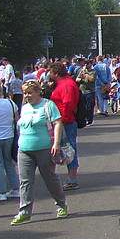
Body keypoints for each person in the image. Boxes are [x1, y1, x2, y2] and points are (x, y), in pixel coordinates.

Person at [10, 78, 67, 226]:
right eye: (24, 93)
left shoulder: (48, 105)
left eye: (29, 93)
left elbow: (57, 123)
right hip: (24, 149)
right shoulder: (24, 107)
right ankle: (24, 212)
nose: (26, 96)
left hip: (44, 148)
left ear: (37, 92)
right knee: (25, 181)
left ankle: (61, 204)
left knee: (49, 178)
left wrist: (56, 144)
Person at [47, 61, 80, 189]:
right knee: (67, 149)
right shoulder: (63, 83)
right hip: (62, 121)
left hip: (65, 121)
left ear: (55, 73)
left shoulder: (66, 84)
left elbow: (68, 103)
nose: (49, 75)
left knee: (69, 149)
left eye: (50, 72)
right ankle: (71, 178)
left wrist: (62, 120)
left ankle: (72, 179)